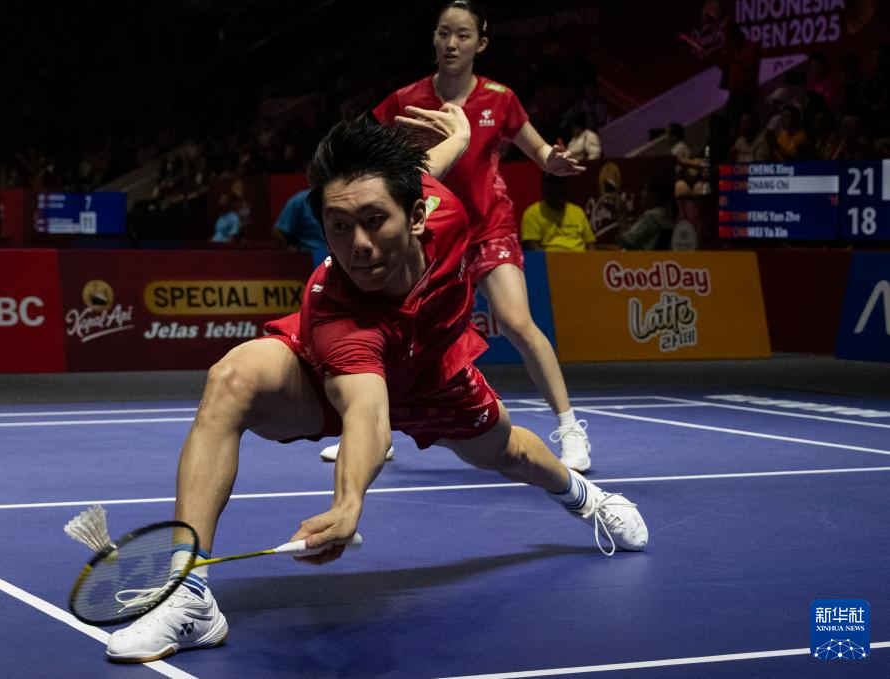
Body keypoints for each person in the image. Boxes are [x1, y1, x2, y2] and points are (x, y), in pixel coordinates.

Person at [105, 116, 648, 664]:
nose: (358, 245)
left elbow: (417, 173)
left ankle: (588, 500)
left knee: (509, 452)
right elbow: (366, 413)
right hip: (342, 371)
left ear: (417, 216)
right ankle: (189, 590)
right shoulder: (337, 308)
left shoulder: (445, 213)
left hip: (433, 371)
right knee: (232, 378)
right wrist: (347, 503)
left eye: (373, 221)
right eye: (338, 226)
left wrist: (460, 140)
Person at [322, 0, 593, 472]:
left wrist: (555, 161)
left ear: (480, 43)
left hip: (488, 226)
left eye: (463, 35)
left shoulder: (500, 98)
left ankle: (570, 428)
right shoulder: (405, 99)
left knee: (516, 322)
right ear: (433, 37)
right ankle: (375, 433)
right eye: (444, 32)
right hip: (426, 231)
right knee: (391, 330)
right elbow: (366, 151)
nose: (451, 43)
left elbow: (539, 151)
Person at [520, 173, 595, 252]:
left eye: (560, 183)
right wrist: (558, 258)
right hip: (549, 258)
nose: (556, 188)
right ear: (544, 187)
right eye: (552, 183)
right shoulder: (532, 213)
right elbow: (532, 248)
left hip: (579, 257)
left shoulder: (578, 212)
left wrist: (591, 258)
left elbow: (590, 244)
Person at [273, 188, 329, 267]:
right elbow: (278, 232)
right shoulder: (300, 200)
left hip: (337, 256)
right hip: (312, 257)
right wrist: (294, 254)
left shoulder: (338, 199)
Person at [617, 177, 674, 251]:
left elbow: (627, 241)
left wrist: (622, 215)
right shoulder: (664, 214)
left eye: (646, 189)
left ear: (656, 196)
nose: (642, 193)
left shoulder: (651, 217)